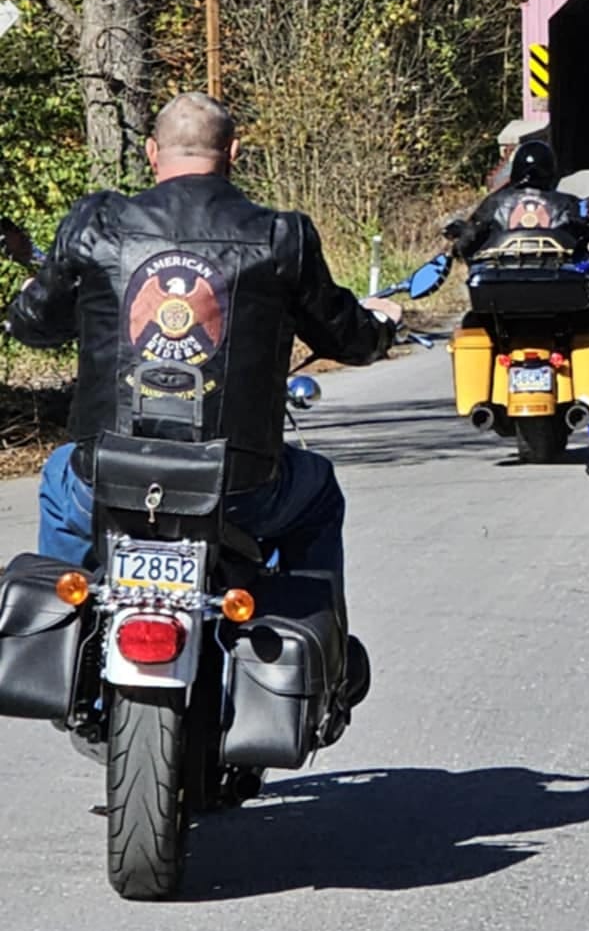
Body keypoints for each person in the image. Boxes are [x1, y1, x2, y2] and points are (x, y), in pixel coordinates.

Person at [2, 94, 402, 614]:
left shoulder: (96, 225)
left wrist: (69, 289)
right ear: (232, 151)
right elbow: (349, 340)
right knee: (317, 488)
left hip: (109, 478)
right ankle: (321, 655)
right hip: (239, 490)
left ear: (151, 152)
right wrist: (381, 323)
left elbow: (31, 325)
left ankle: (56, 623)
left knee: (62, 480)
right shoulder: (280, 236)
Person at [445, 138, 588, 260]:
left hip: (501, 278)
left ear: (516, 169)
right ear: (551, 169)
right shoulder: (567, 203)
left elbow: (472, 235)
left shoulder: (495, 201)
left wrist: (458, 247)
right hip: (556, 278)